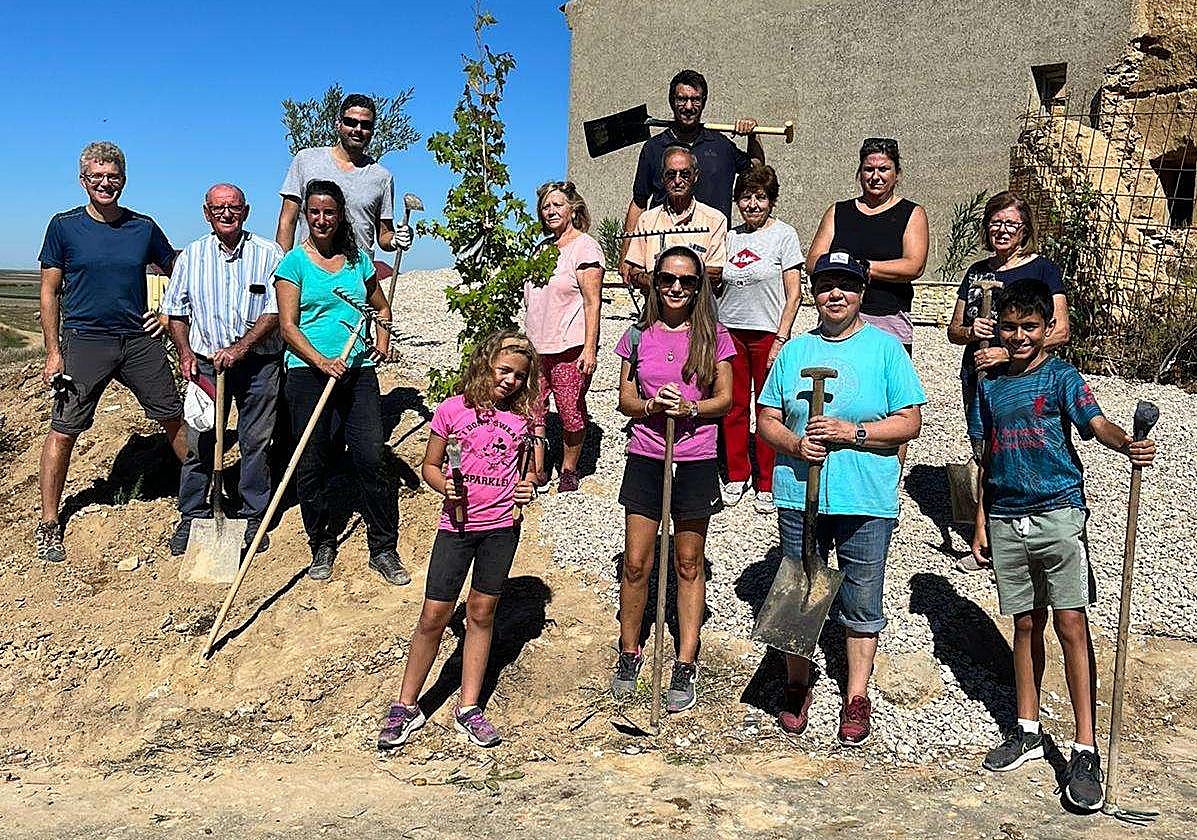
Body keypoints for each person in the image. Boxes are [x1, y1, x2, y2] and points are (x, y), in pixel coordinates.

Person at [968, 279, 1155, 811]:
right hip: (1005, 515)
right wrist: (981, 520)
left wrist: (1127, 443)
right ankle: (1027, 728)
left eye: (1031, 326)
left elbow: (1097, 425)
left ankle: (1085, 746)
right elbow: (988, 456)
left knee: (1071, 622)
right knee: (1024, 622)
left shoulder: (1063, 378)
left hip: (1058, 512)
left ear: (1049, 329)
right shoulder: (990, 384)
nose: (1020, 336)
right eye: (1010, 326)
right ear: (998, 328)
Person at [757, 251, 925, 745]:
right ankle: (796, 682)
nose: (836, 294)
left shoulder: (886, 350)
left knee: (862, 593)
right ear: (813, 290)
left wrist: (854, 432)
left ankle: (856, 695)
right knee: (800, 583)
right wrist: (794, 444)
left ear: (861, 293)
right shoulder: (793, 352)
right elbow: (766, 417)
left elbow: (909, 422)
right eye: (827, 284)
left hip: (865, 494)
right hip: (799, 493)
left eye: (846, 286)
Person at [377, 332, 539, 750]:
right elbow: (431, 465)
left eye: (520, 376)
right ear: (485, 364)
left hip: (501, 527)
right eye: (504, 370)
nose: (511, 381)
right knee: (434, 614)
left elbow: (530, 473)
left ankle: (468, 707)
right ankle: (406, 704)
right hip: (456, 529)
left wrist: (530, 485)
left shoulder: (523, 420)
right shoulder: (452, 410)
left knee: (482, 612)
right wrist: (442, 486)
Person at [35, 141, 186, 564]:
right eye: (96, 177)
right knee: (64, 429)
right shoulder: (63, 227)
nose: (105, 184)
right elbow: (49, 291)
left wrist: (163, 310)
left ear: (124, 179)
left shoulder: (143, 227)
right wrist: (53, 351)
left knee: (173, 415)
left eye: (113, 176)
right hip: (85, 340)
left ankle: (202, 502)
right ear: (84, 181)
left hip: (138, 339)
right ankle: (49, 523)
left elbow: (179, 270)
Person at [610, 245, 735, 714]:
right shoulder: (637, 335)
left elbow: (725, 400)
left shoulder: (715, 337)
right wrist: (650, 407)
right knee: (637, 561)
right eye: (667, 279)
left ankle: (685, 658)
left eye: (686, 280)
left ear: (699, 285)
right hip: (646, 453)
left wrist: (691, 408)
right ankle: (629, 649)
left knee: (687, 560)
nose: (676, 288)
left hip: (696, 456)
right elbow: (624, 397)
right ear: (655, 282)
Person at [274, 180, 407, 585]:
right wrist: (321, 360)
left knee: (369, 455)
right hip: (307, 373)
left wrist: (381, 337)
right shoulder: (293, 263)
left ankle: (383, 547)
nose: (320, 219)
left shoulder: (357, 261)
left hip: (358, 370)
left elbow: (380, 307)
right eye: (313, 212)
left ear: (339, 215)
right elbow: (287, 327)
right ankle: (322, 542)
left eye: (328, 212)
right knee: (313, 461)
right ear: (306, 215)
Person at [163, 183, 285, 556]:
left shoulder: (268, 253)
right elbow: (176, 312)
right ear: (207, 213)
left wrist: (241, 347)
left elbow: (276, 310)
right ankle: (194, 513)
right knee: (201, 442)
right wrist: (184, 352)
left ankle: (252, 514)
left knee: (255, 442)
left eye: (233, 208)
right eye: (218, 209)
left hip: (258, 364)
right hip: (203, 364)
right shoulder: (191, 256)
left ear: (246, 211)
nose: (226, 214)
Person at [717, 163, 804, 514]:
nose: (752, 204)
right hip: (730, 330)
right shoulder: (730, 236)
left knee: (768, 407)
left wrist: (781, 338)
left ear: (772, 201)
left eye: (760, 197)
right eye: (746, 197)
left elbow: (794, 293)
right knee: (733, 405)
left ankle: (767, 481)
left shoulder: (784, 235)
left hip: (767, 332)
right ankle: (738, 474)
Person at [947, 190, 1070, 412]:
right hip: (979, 376)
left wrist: (1005, 354)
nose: (1002, 230)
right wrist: (970, 332)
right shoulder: (977, 272)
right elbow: (954, 331)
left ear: (1024, 230)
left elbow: (1061, 331)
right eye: (995, 223)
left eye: (1011, 224)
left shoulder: (1043, 270)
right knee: (980, 442)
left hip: (1027, 377)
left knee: (1020, 439)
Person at [806, 138, 929, 354]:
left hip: (887, 317)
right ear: (859, 173)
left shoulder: (912, 213)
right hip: (837, 316)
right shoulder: (838, 211)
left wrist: (862, 268)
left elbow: (914, 266)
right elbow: (813, 262)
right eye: (868, 169)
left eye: (884, 169)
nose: (875, 177)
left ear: (897, 174)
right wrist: (850, 269)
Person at [523, 181, 604, 492]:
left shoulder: (584, 247)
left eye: (557, 204)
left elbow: (591, 301)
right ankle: (538, 469)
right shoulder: (541, 249)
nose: (551, 210)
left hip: (569, 346)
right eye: (546, 206)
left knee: (570, 411)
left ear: (573, 208)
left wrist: (589, 348)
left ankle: (569, 468)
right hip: (535, 347)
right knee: (534, 410)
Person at [276, 93, 413, 255]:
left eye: (365, 125)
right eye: (351, 122)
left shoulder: (382, 177)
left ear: (372, 131)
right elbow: (287, 220)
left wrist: (396, 239)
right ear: (338, 124)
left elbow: (383, 235)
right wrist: (282, 267)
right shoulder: (306, 160)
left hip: (358, 275)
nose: (358, 129)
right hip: (311, 272)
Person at [626, 69, 763, 228]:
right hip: (665, 246)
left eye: (695, 99)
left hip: (712, 245)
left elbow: (757, 170)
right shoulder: (653, 148)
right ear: (672, 101)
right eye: (682, 99)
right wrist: (628, 251)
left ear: (704, 102)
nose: (689, 106)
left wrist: (754, 133)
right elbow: (639, 203)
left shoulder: (722, 146)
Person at [623, 147, 728, 292]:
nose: (677, 180)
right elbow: (635, 272)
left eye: (685, 174)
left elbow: (716, 273)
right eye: (671, 174)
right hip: (656, 309)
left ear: (695, 176)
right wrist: (662, 282)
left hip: (697, 309)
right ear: (662, 177)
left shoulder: (715, 220)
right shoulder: (647, 220)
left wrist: (668, 278)